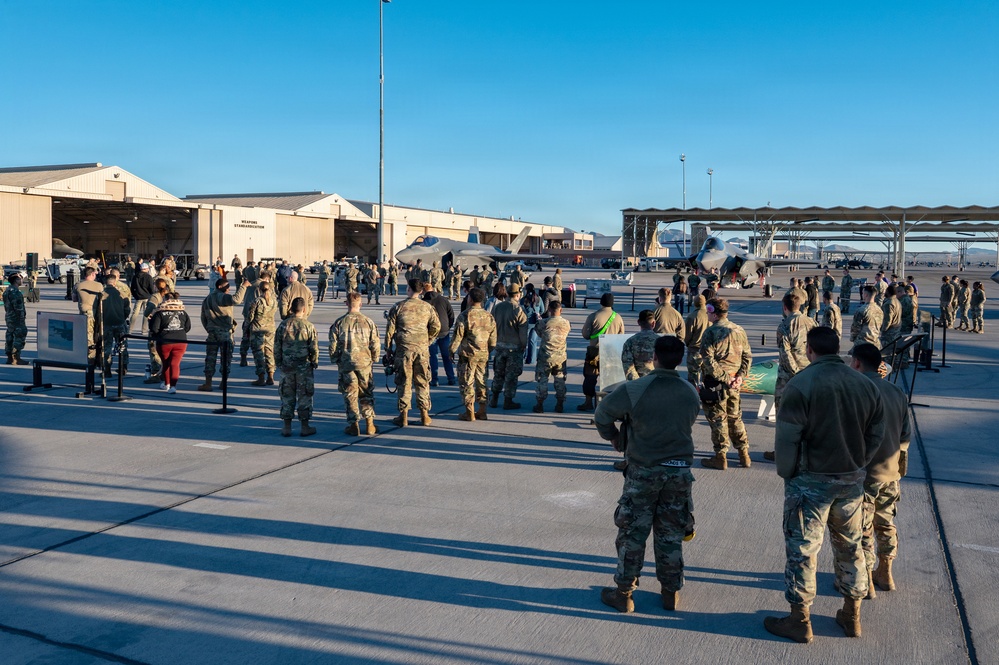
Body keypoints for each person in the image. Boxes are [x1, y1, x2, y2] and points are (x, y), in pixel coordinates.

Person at [764, 327, 885, 643]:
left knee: (803, 551)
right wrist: (858, 462)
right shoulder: (865, 384)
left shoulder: (800, 384)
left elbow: (787, 438)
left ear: (809, 349)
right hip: (851, 481)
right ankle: (852, 614)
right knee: (851, 546)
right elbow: (876, 433)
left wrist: (787, 473)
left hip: (810, 483)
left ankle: (799, 619)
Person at [595, 336, 700, 614]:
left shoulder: (635, 388)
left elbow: (603, 414)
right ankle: (670, 592)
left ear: (654, 357)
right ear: (681, 359)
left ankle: (624, 593)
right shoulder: (690, 391)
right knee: (671, 534)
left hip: (643, 472)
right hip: (679, 473)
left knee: (632, 533)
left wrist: (614, 436)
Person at [849, 342, 911, 598]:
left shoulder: (856, 392)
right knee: (885, 523)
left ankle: (866, 580)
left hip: (864, 474)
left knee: (862, 528)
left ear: (857, 363)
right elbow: (905, 436)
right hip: (890, 472)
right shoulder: (897, 392)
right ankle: (886, 572)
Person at [698, 297, 753, 470]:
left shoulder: (710, 333)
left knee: (718, 419)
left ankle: (720, 456)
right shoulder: (739, 330)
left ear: (713, 313)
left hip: (717, 383)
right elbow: (747, 356)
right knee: (735, 417)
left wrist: (725, 377)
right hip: (734, 383)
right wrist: (740, 377)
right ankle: (744, 454)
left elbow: (708, 359)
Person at [763, 292, 816, 462]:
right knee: (807, 415)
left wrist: (795, 374)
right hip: (810, 373)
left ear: (785, 307)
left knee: (783, 415)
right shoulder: (812, 322)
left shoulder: (785, 326)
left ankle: (782, 451)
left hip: (788, 377)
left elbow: (785, 354)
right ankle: (805, 451)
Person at [385, 279, 441, 427]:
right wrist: (427, 340)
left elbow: (390, 331)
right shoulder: (427, 307)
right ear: (421, 291)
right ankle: (424, 415)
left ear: (408, 289)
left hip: (404, 350)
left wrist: (388, 349)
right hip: (421, 351)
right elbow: (436, 326)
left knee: (404, 382)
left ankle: (403, 416)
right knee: (422, 382)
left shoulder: (398, 307)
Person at [329, 292, 381, 436]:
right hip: (364, 363)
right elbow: (375, 343)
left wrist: (335, 359)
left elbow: (333, 345)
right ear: (360, 304)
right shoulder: (368, 322)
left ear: (347, 304)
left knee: (350, 394)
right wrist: (374, 358)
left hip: (347, 363)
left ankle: (353, 424)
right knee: (366, 392)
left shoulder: (339, 323)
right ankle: (370, 423)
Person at [450, 287, 497, 422]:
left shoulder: (465, 315)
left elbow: (457, 336)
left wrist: (451, 351)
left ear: (470, 299)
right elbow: (493, 339)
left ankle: (469, 412)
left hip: (468, 355)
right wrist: (487, 350)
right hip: (483, 355)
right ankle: (482, 410)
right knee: (482, 382)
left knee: (467, 383)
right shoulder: (489, 316)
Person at [274, 297, 319, 437]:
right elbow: (314, 347)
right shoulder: (308, 326)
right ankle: (305, 426)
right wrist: (314, 361)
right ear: (304, 309)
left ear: (291, 309)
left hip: (287, 366)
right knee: (304, 396)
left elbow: (277, 347)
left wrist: (279, 363)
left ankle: (287, 427)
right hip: (303, 367)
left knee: (287, 395)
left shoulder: (283, 325)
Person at [198, 278, 248, 392]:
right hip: (225, 332)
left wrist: (209, 329)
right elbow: (236, 300)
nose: (228, 288)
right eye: (227, 286)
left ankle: (208, 383)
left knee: (210, 357)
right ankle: (223, 382)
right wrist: (243, 286)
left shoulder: (208, 299)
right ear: (220, 287)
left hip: (212, 332)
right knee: (226, 358)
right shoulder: (223, 297)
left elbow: (203, 316)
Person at [579, 293, 626, 412]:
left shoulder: (593, 316)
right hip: (611, 352)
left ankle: (588, 402)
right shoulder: (618, 317)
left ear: (601, 302)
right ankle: (610, 405)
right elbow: (621, 336)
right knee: (610, 380)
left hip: (594, 352)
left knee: (590, 377)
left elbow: (585, 335)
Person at [490, 283, 529, 410]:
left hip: (499, 346)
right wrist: (524, 344)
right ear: (518, 294)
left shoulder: (497, 307)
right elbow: (523, 330)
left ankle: (494, 398)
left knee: (498, 374)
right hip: (514, 348)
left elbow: (492, 326)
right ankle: (508, 400)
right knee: (511, 376)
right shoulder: (518, 310)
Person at [148, 292, 191, 394]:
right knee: (175, 364)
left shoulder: (159, 313)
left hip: (164, 341)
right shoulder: (183, 312)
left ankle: (167, 384)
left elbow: (154, 329)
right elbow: (188, 327)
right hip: (181, 340)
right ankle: (173, 386)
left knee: (166, 363)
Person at [533, 300, 571, 413]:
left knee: (542, 380)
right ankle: (560, 404)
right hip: (560, 357)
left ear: (549, 309)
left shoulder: (543, 323)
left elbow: (539, 333)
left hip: (546, 356)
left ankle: (540, 404)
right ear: (561, 310)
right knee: (560, 380)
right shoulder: (566, 323)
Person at [76, 266, 108, 386]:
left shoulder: (78, 285)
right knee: (97, 336)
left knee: (87, 338)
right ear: (92, 274)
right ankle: (97, 359)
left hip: (84, 314)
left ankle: (90, 360)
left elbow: (74, 298)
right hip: (96, 314)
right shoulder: (99, 285)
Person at [422, 280, 456, 387]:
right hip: (444, 331)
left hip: (431, 332)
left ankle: (434, 379)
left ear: (423, 291)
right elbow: (451, 315)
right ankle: (451, 378)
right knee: (447, 356)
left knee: (433, 357)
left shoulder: (423, 303)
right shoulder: (443, 299)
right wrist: (448, 326)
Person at [246, 280, 278, 386]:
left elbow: (250, 317)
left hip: (257, 330)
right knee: (269, 352)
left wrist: (247, 328)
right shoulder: (273, 301)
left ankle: (261, 377)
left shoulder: (257, 301)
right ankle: (271, 376)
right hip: (270, 330)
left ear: (259, 289)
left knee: (258, 353)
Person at [101, 270, 131, 376]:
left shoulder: (101, 295)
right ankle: (123, 367)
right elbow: (127, 309)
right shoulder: (122, 294)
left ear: (106, 282)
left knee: (107, 347)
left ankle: (107, 368)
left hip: (106, 324)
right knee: (122, 345)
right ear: (114, 282)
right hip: (120, 323)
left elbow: (96, 311)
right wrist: (122, 317)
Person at [621, 310, 660, 380]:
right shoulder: (661, 341)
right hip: (657, 381)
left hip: (638, 382)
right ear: (653, 323)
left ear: (638, 322)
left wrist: (637, 382)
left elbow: (628, 366)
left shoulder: (630, 342)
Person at [683, 295, 709, 386]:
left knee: (693, 376)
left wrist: (687, 344)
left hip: (695, 349)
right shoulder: (710, 315)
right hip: (708, 350)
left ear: (695, 303)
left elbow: (687, 335)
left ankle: (694, 391)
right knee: (707, 376)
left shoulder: (692, 316)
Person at [850, 285, 883, 351]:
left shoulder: (862, 310)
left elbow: (855, 328)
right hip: (875, 343)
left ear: (866, 295)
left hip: (863, 343)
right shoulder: (879, 310)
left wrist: (853, 338)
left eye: (863, 293)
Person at [3, 274, 27, 365]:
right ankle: (16, 358)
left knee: (10, 335)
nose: (22, 281)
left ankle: (9, 357)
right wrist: (21, 319)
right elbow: (18, 308)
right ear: (16, 280)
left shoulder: (7, 291)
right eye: (20, 279)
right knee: (19, 336)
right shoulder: (15, 292)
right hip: (17, 318)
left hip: (9, 317)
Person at [521, 283, 544, 364]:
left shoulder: (523, 299)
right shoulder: (538, 299)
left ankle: (522, 357)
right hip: (535, 322)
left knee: (523, 341)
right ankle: (532, 359)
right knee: (533, 341)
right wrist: (538, 313)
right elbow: (542, 310)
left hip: (525, 323)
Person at [129, 262, 155, 334]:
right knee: (146, 314)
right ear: (146, 269)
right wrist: (152, 295)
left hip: (138, 297)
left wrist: (135, 295)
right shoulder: (148, 277)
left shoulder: (135, 276)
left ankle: (130, 329)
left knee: (134, 314)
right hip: (147, 297)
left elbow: (132, 288)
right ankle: (144, 330)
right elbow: (151, 288)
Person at [880, 283, 902, 351]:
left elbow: (888, 319)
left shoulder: (889, 304)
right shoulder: (897, 301)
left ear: (889, 292)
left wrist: (883, 329)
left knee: (887, 350)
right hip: (896, 329)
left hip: (889, 332)